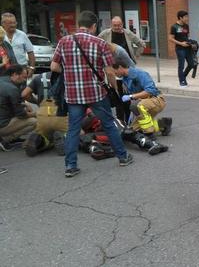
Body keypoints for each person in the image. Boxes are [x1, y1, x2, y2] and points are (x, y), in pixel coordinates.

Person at [51, 11, 133, 177]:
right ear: (94, 26)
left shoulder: (64, 41)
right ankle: (123, 157)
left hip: (73, 95)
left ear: (78, 23)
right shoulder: (100, 43)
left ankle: (70, 166)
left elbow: (54, 67)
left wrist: (69, 72)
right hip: (96, 93)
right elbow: (110, 72)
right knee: (109, 124)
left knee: (73, 129)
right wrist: (114, 90)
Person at [114, 62, 170, 155]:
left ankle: (149, 134)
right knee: (131, 132)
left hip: (157, 100)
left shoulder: (140, 74)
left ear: (120, 67)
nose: (114, 74)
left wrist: (131, 96)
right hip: (144, 103)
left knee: (138, 106)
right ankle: (163, 124)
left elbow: (150, 90)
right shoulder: (125, 79)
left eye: (115, 72)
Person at [21, 71, 68, 156]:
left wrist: (37, 102)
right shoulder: (69, 75)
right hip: (61, 113)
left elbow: (24, 94)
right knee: (78, 133)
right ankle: (64, 137)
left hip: (43, 113)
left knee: (45, 136)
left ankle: (39, 141)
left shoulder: (39, 77)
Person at [0, 65, 37, 151]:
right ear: (15, 75)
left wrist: (25, 105)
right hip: (2, 125)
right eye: (24, 77)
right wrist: (36, 114)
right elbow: (21, 115)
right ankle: (6, 140)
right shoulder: (12, 88)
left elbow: (7, 103)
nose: (24, 80)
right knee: (34, 121)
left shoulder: (3, 81)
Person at [168, 10, 195, 88]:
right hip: (180, 49)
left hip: (188, 48)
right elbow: (170, 38)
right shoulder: (174, 27)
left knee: (191, 64)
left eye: (187, 16)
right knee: (181, 65)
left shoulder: (186, 26)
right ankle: (182, 81)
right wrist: (181, 43)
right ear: (180, 17)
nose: (187, 18)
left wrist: (191, 44)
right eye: (186, 17)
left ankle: (183, 76)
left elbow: (187, 37)